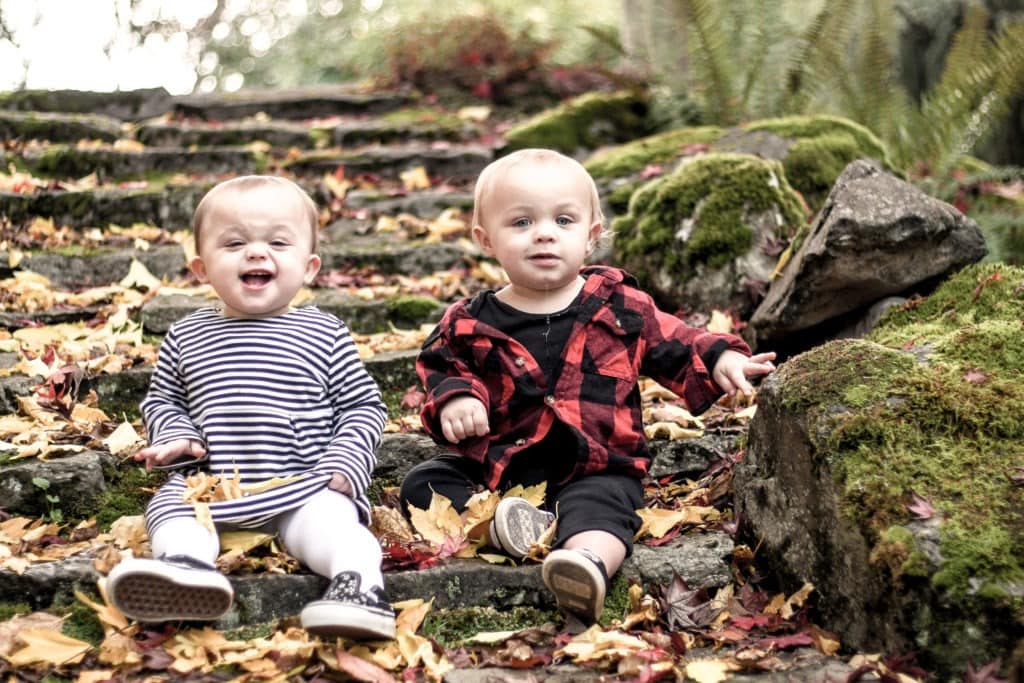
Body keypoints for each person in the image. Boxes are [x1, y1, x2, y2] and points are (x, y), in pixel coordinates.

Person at [399, 149, 776, 627]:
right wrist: (457, 397)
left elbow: (677, 341)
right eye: (520, 222)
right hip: (499, 471)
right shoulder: (468, 322)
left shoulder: (620, 306)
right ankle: (505, 529)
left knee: (605, 507)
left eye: (562, 219)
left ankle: (586, 564)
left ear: (591, 235)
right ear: (485, 239)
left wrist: (722, 356)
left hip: (594, 467)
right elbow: (439, 366)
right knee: (423, 483)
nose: (544, 233)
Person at [106, 175, 395, 641]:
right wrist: (176, 436)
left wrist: (346, 461)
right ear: (202, 268)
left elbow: (362, 405)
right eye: (235, 243)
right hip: (214, 483)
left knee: (330, 524)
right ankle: (187, 569)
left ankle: (359, 585)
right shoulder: (187, 336)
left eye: (278, 242)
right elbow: (162, 399)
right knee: (172, 507)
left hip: (303, 479)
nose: (257, 253)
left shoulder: (325, 333)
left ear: (309, 267)